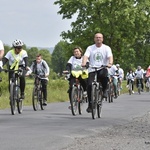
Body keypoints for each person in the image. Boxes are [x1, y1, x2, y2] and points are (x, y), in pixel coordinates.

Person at [82, 33, 113, 112]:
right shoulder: (90, 48)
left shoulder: (106, 48)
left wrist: (110, 63)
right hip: (92, 69)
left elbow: (110, 57)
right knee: (89, 85)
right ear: (94, 39)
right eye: (97, 37)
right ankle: (90, 104)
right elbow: (86, 56)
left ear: (102, 39)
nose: (98, 39)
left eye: (100, 37)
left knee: (104, 76)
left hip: (102, 67)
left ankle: (104, 90)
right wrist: (84, 63)